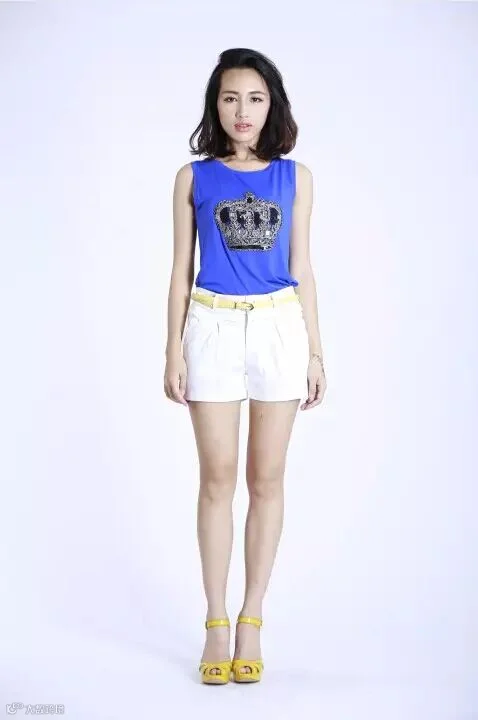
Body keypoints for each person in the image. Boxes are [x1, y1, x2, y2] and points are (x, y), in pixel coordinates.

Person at [163, 47, 326, 685]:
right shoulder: (192, 178)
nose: (243, 111)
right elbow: (180, 270)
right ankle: (214, 621)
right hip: (211, 325)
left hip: (280, 325)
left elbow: (303, 266)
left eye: (255, 98)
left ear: (271, 105)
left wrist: (316, 350)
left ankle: (252, 615)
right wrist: (172, 347)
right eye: (231, 97)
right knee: (216, 479)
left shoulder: (296, 177)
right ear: (216, 104)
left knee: (267, 478)